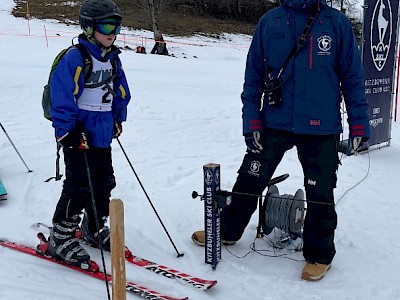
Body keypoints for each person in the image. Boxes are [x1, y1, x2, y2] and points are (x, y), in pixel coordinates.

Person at [192, 0, 370, 281]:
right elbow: (253, 77)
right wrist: (251, 123)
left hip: (321, 127)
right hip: (275, 121)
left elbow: (352, 77)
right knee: (250, 179)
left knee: (320, 191)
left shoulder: (336, 23)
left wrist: (359, 124)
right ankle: (227, 231)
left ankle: (319, 254)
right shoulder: (270, 21)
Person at [47, 0, 131, 268]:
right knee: (79, 185)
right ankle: (60, 236)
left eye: (116, 26)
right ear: (88, 27)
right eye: (106, 25)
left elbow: (121, 91)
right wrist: (67, 132)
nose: (112, 31)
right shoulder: (75, 57)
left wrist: (117, 117)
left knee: (104, 180)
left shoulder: (112, 58)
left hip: (102, 130)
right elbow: (62, 97)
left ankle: (93, 227)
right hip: (78, 132)